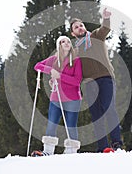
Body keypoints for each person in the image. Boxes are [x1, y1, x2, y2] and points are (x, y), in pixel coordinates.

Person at [70, 8, 123, 152]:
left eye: (81, 25)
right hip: (89, 84)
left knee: (109, 108)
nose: (80, 28)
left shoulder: (95, 37)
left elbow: (104, 29)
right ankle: (102, 147)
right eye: (76, 27)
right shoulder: (75, 51)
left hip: (105, 78)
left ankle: (117, 143)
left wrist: (106, 18)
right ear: (72, 33)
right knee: (96, 115)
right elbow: (70, 69)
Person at [31, 36, 83, 156]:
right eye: (63, 42)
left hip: (73, 99)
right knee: (52, 123)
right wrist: (51, 71)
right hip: (56, 98)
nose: (66, 43)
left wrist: (59, 75)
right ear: (58, 45)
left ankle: (71, 151)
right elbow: (37, 66)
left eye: (68, 41)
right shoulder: (54, 59)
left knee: (71, 125)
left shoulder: (76, 60)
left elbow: (77, 81)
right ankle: (48, 151)